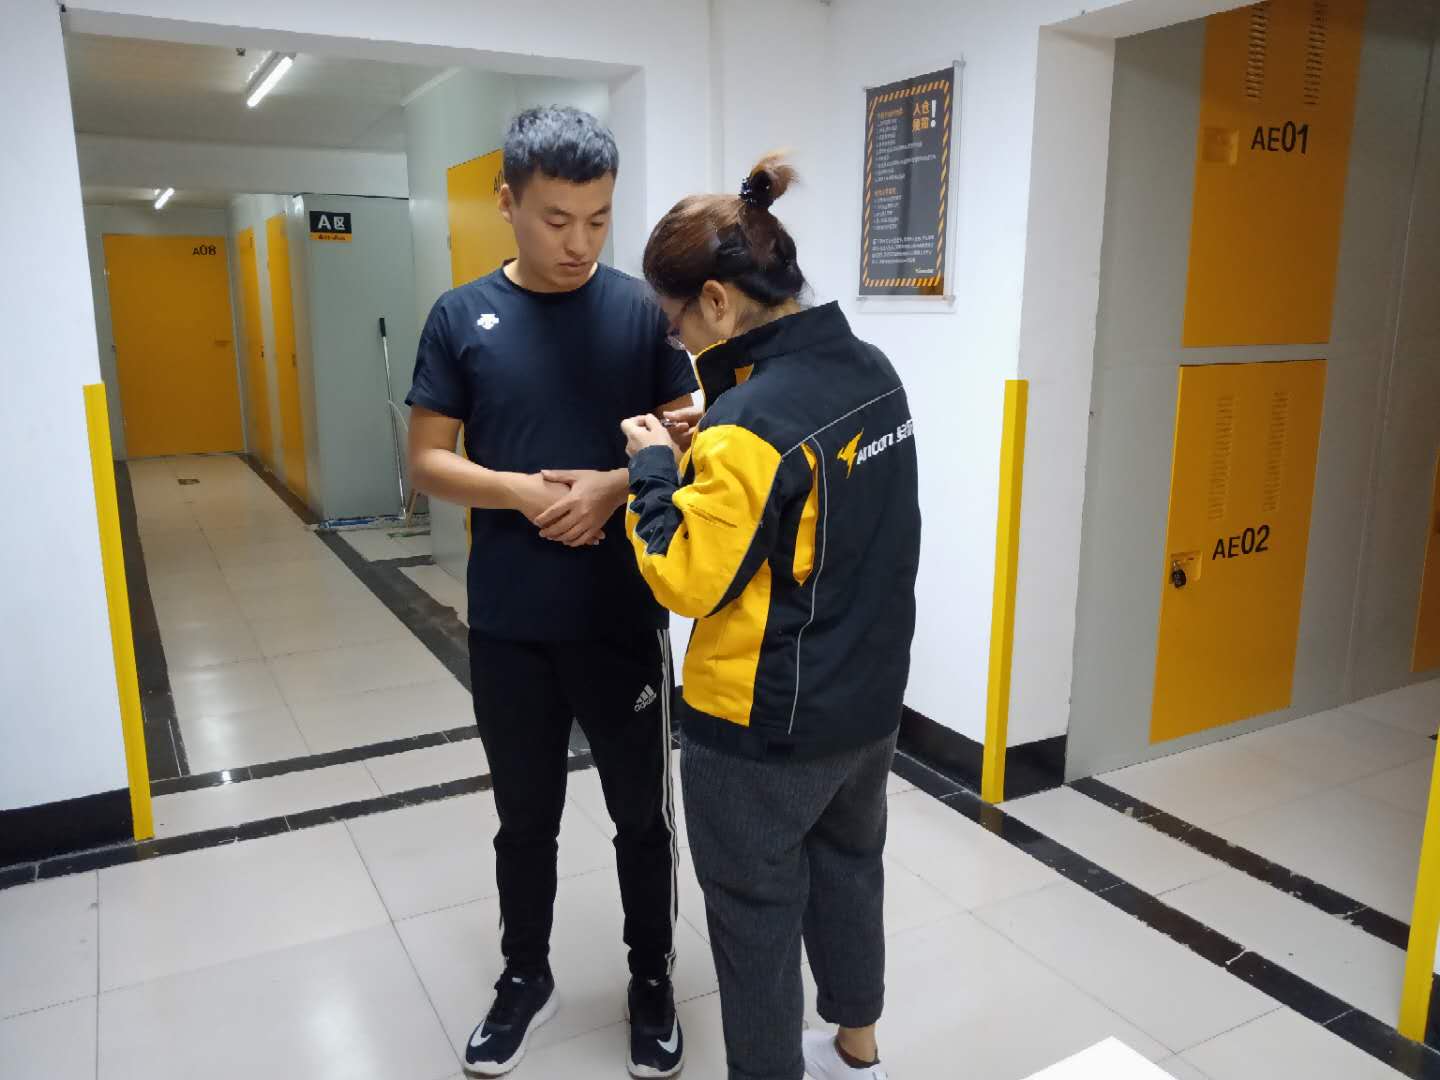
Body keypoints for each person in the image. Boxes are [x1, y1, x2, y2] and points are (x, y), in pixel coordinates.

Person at [406, 106, 698, 1079]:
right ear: (508, 203)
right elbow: (427, 461)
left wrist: (615, 487)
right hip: (510, 623)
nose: (580, 243)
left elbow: (694, 435)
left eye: (599, 220)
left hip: (621, 616)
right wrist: (521, 492)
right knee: (524, 819)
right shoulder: (461, 317)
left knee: (641, 819)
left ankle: (650, 977)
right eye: (556, 219)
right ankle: (524, 976)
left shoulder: (641, 313)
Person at [620, 157, 921, 1080]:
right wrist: (711, 438)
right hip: (867, 708)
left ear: (716, 302)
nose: (675, 339)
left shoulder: (748, 425)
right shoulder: (871, 370)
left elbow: (685, 576)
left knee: (754, 919)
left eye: (674, 321)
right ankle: (858, 1045)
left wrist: (652, 470)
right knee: (851, 870)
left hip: (763, 732)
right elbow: (806, 511)